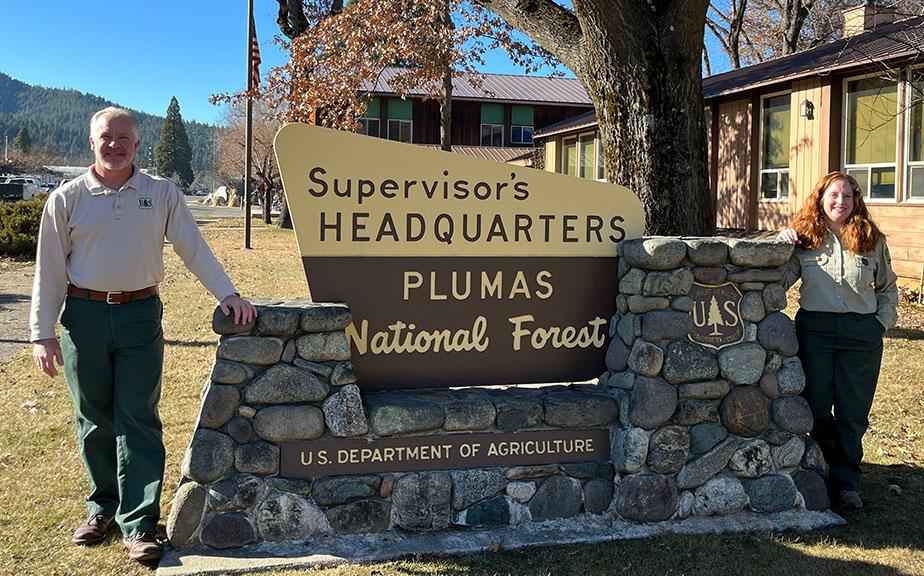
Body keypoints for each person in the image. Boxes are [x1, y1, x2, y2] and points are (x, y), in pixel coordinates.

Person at [29, 107, 256, 562]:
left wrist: (228, 293)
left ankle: (139, 522)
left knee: (138, 415)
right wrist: (41, 332)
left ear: (137, 144)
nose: (114, 145)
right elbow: (49, 270)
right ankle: (102, 508)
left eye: (124, 138)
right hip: (83, 316)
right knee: (94, 415)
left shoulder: (161, 193)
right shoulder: (67, 198)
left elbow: (194, 248)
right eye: (105, 137)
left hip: (139, 314)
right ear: (91, 142)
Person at [778, 171, 898, 510]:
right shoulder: (805, 238)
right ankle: (822, 468)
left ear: (855, 201)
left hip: (861, 335)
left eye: (847, 196)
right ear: (821, 199)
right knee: (815, 407)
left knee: (853, 411)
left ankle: (847, 483)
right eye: (833, 195)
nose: (840, 202)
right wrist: (780, 243)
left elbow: (888, 289)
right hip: (815, 333)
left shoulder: (871, 239)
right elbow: (779, 280)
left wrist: (880, 325)